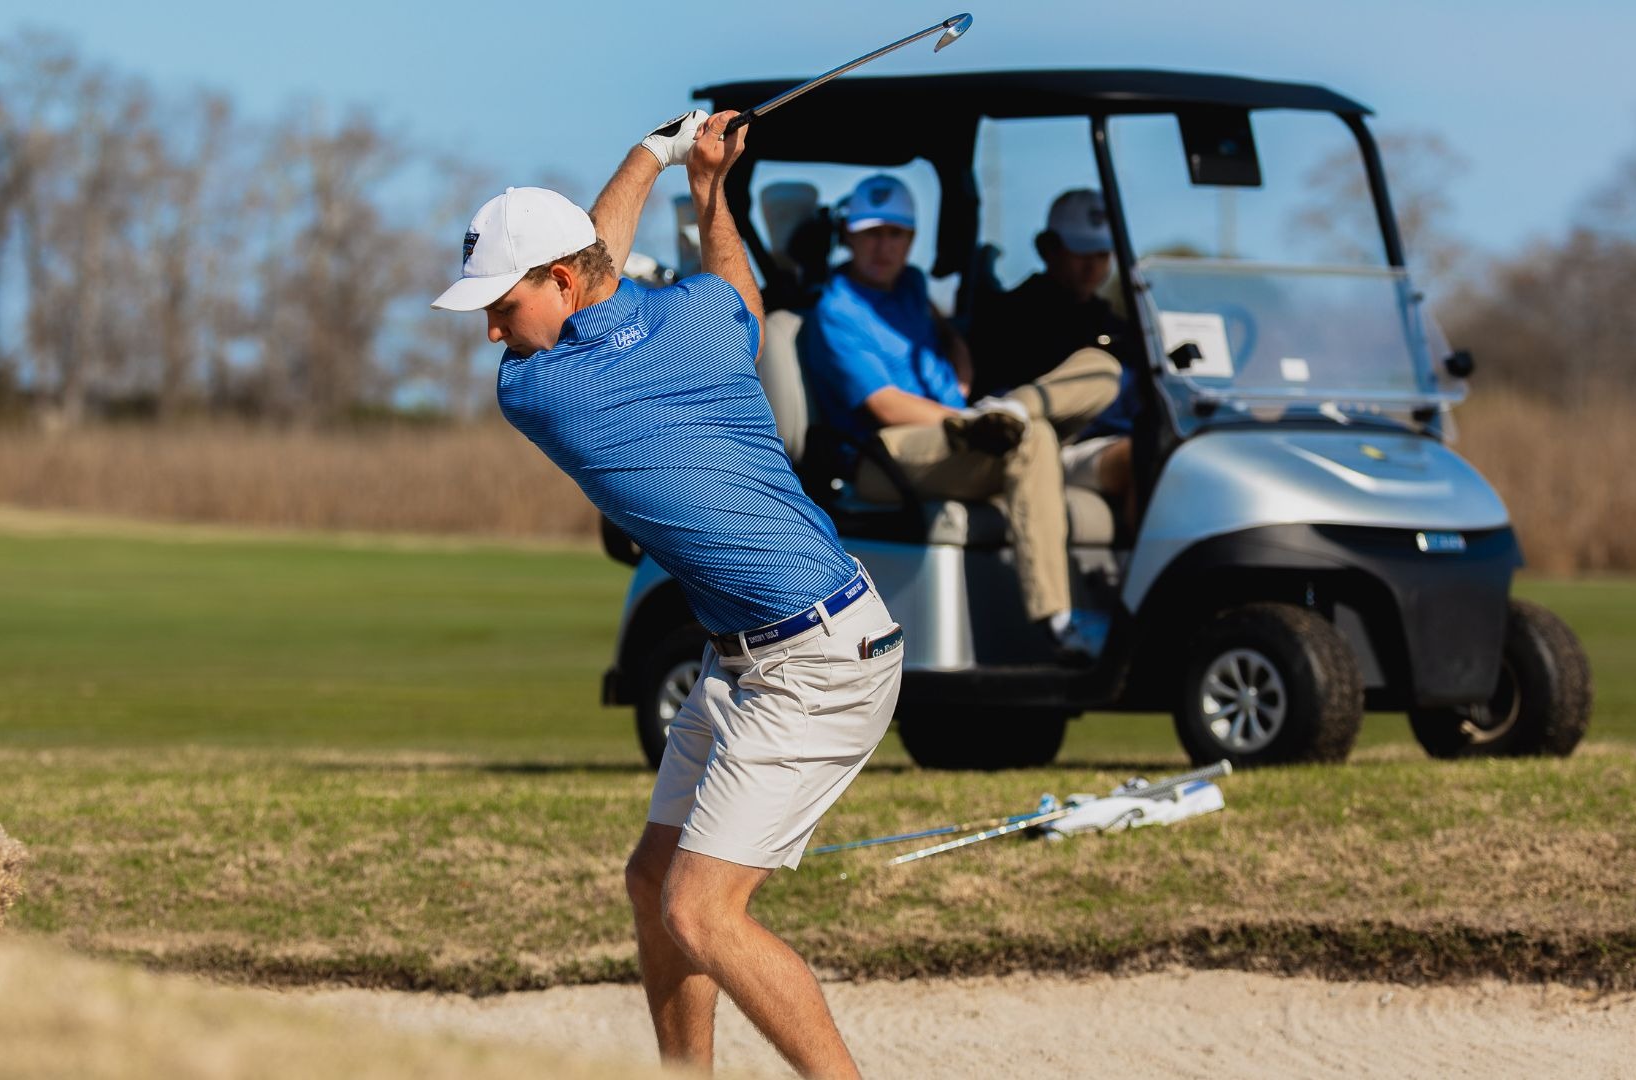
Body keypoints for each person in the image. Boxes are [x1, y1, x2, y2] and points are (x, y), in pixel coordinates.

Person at [431, 110, 903, 1080]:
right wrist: (701, 185)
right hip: (744, 659)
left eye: (499, 303)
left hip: (818, 661)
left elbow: (604, 249)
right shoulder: (701, 320)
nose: (490, 329)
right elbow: (731, 281)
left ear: (562, 283)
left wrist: (658, 153)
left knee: (701, 910)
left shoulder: (543, 391)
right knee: (654, 885)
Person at [800, 174, 1120, 655]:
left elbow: (946, 336)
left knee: (1102, 367)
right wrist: (965, 423)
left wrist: (966, 379)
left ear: (911, 239)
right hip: (884, 452)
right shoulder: (836, 309)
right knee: (1033, 441)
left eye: (895, 234)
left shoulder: (909, 286)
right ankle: (1058, 621)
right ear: (848, 236)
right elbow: (885, 405)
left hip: (949, 433)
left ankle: (1015, 408)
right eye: (871, 234)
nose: (883, 247)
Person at [970, 189, 1144, 507]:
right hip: (1049, 445)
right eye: (1081, 253)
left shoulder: (1119, 326)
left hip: (1112, 440)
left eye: (1101, 255)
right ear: (1048, 249)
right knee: (1144, 458)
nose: (1092, 267)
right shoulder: (1011, 319)